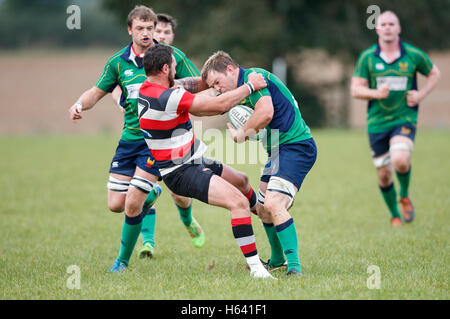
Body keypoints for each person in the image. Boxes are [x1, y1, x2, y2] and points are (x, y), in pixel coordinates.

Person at [68, 5, 207, 272]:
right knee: (115, 205)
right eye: (140, 28)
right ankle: (153, 193)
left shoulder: (172, 56)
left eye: (150, 28)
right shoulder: (118, 62)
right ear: (130, 29)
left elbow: (199, 82)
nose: (146, 33)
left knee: (149, 199)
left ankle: (121, 262)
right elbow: (96, 92)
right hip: (129, 139)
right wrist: (79, 105)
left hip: (159, 140)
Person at [138, 44, 274, 279]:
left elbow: (194, 84)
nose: (176, 70)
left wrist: (217, 79)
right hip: (180, 172)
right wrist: (250, 86)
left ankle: (266, 217)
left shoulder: (149, 88)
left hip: (192, 159)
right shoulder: (168, 96)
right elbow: (218, 106)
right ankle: (256, 269)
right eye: (173, 66)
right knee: (238, 203)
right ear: (165, 68)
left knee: (242, 181)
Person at [201, 51, 317, 277]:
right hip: (277, 151)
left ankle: (294, 267)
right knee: (263, 210)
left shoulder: (254, 77)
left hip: (296, 146)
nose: (218, 88)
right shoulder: (241, 91)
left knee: (274, 204)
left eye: (217, 82)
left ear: (231, 69)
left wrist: (241, 134)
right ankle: (277, 259)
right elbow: (210, 104)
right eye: (213, 86)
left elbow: (265, 113)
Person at [351, 11, 440, 227]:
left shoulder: (413, 55)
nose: (388, 27)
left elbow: (434, 73)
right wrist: (375, 93)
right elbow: (355, 89)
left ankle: (405, 196)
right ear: (378, 29)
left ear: (399, 28)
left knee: (400, 159)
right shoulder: (368, 58)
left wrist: (421, 95)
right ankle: (394, 215)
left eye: (392, 23)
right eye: (384, 24)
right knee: (384, 174)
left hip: (404, 118)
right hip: (377, 123)